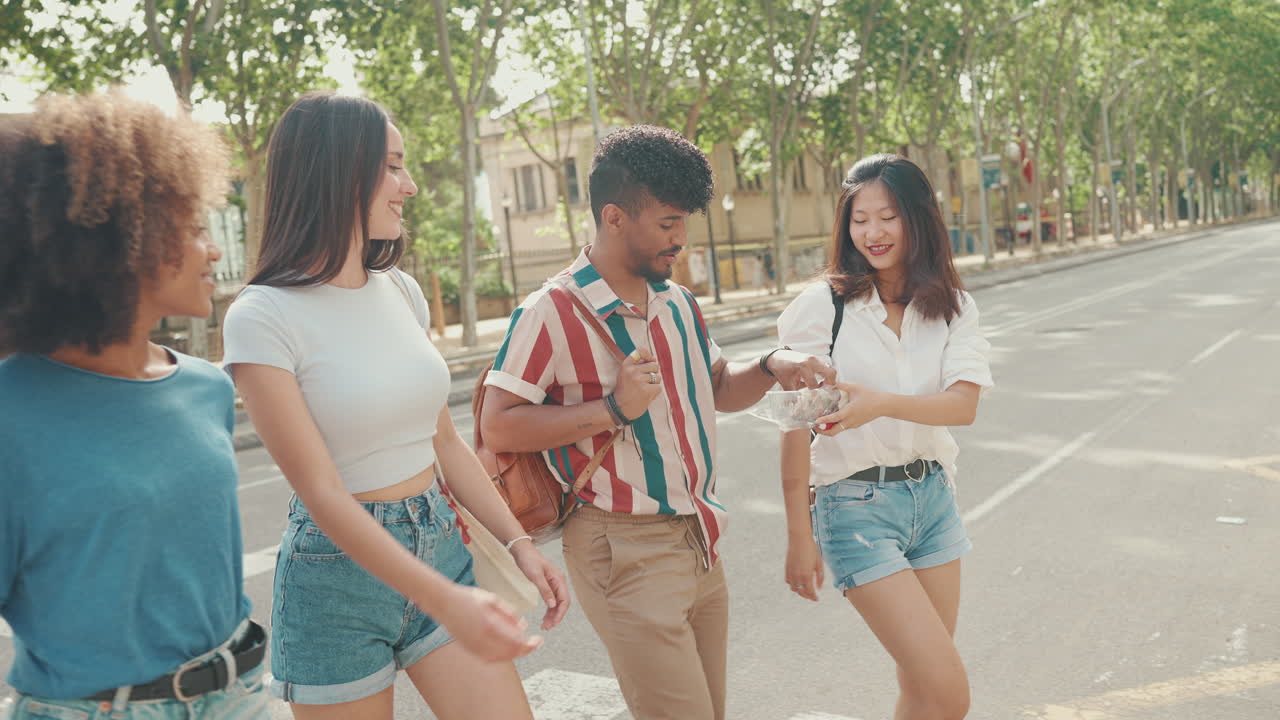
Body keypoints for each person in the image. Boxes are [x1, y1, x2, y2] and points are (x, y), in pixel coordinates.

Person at [221, 92, 569, 720]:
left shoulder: (403, 292)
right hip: (335, 580)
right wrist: (444, 597)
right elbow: (324, 496)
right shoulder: (261, 316)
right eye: (392, 166)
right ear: (338, 171)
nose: (408, 186)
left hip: (438, 538)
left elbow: (444, 442)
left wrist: (519, 543)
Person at [479, 124, 833, 720]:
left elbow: (718, 387)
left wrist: (775, 365)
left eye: (685, 223)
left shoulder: (677, 303)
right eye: (668, 224)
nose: (683, 240)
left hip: (699, 539)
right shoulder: (550, 313)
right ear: (614, 217)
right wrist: (612, 410)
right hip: (621, 546)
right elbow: (498, 426)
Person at [0, 92, 269, 718]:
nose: (213, 251)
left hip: (239, 695)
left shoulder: (208, 387)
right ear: (117, 238)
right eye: (193, 226)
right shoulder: (11, 416)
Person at [776, 154, 993, 720]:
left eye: (888, 217)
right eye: (859, 219)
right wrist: (799, 534)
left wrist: (879, 406)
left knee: (922, 689)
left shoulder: (951, 305)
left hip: (934, 502)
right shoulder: (822, 306)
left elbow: (963, 406)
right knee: (949, 693)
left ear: (918, 219)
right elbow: (797, 426)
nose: (871, 233)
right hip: (855, 508)